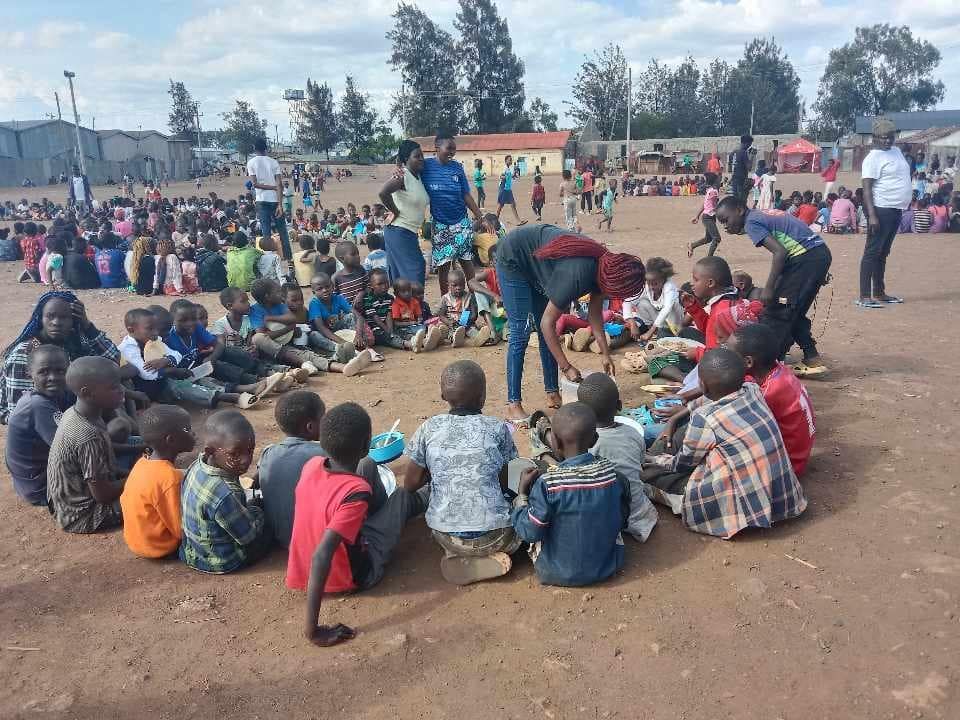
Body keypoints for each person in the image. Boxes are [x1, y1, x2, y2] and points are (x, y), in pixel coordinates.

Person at [286, 402, 427, 646]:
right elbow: (322, 556)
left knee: (369, 466)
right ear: (365, 445)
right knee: (404, 496)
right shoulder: (356, 492)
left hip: (317, 562)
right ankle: (427, 495)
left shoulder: (311, 466)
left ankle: (393, 512)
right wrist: (313, 632)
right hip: (356, 576)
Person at [646, 348, 806, 538]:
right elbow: (706, 399)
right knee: (682, 438)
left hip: (738, 507)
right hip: (782, 499)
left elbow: (682, 464)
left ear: (702, 385)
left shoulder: (705, 419)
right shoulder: (752, 389)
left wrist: (656, 460)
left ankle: (664, 488)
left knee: (647, 474)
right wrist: (675, 418)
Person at [496, 226, 646, 422]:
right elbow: (547, 324)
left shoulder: (605, 267)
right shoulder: (577, 274)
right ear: (614, 281)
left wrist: (605, 354)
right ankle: (514, 404)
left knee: (545, 335)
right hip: (514, 256)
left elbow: (595, 315)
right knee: (521, 331)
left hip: (535, 263)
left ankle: (552, 392)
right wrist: (566, 367)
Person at [403, 360, 520, 584]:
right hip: (498, 536)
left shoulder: (430, 427)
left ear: (443, 395)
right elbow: (512, 481)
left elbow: (410, 484)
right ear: (483, 396)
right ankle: (493, 554)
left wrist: (435, 469)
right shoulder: (496, 427)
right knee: (525, 503)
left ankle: (459, 554)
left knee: (435, 492)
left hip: (446, 536)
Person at [512, 402, 629, 586]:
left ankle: (542, 454)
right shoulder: (614, 475)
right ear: (595, 439)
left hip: (555, 570)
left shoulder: (548, 484)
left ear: (555, 442)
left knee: (528, 516)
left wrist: (521, 496)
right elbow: (622, 519)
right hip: (607, 565)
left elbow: (530, 532)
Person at [715, 197, 832, 375]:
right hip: (816, 254)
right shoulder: (761, 214)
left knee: (778, 310)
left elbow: (780, 252)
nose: (725, 226)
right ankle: (811, 356)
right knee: (792, 307)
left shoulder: (751, 222)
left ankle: (767, 364)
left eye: (726, 220)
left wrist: (769, 288)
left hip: (806, 258)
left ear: (739, 210)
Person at [256, 391, 381, 547]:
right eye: (323, 417)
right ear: (310, 426)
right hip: (321, 542)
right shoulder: (322, 457)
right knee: (367, 464)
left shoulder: (267, 454)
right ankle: (379, 518)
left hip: (283, 539)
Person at [0, 292, 120, 424]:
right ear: (41, 318)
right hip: (34, 416)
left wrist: (87, 326)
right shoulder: (24, 353)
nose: (56, 323)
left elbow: (112, 360)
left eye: (64, 317)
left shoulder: (75, 341)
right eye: (50, 316)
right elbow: (18, 412)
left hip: (65, 407)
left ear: (74, 320)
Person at [180, 410, 272, 573]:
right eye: (234, 454)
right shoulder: (225, 493)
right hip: (222, 561)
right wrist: (258, 511)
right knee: (272, 524)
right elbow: (248, 537)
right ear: (211, 451)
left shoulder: (197, 465)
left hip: (192, 552)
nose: (245, 460)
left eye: (250, 450)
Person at [46, 357, 126, 533]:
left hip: (72, 499)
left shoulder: (77, 412)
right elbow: (103, 495)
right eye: (114, 387)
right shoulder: (87, 434)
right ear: (88, 393)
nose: (122, 390)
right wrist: (136, 477)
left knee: (139, 453)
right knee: (153, 493)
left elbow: (104, 452)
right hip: (83, 516)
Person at [577, 373, 658, 541]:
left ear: (582, 411)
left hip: (615, 518)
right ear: (619, 405)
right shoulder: (633, 433)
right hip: (641, 512)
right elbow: (640, 464)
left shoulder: (587, 443)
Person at [727, 323, 816, 476]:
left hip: (787, 467)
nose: (726, 356)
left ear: (748, 362)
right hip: (799, 455)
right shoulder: (778, 370)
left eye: (730, 353)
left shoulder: (768, 393)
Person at [119, 405, 196, 558]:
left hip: (137, 541)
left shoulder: (143, 462)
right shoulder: (168, 478)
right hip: (160, 547)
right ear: (171, 440)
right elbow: (181, 530)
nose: (193, 433)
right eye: (187, 430)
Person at [4, 345, 71, 505]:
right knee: (121, 470)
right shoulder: (37, 404)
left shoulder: (57, 393)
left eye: (60, 371)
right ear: (29, 374)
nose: (53, 377)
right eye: (43, 372)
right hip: (42, 487)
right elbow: (69, 450)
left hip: (33, 480)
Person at [859, 118, 912, 308]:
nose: (888, 141)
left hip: (896, 209)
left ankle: (880, 293)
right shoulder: (872, 158)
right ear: (875, 138)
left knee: (883, 253)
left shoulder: (896, 152)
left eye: (891, 137)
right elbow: (866, 189)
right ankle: (865, 296)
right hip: (880, 209)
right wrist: (872, 215)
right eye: (884, 138)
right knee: (872, 252)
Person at [422, 134, 483, 294]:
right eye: (449, 148)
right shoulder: (426, 166)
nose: (452, 152)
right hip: (440, 224)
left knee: (466, 261)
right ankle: (445, 301)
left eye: (454, 149)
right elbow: (409, 167)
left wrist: (480, 216)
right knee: (443, 265)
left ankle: (474, 297)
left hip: (461, 222)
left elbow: (466, 194)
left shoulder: (457, 167)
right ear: (437, 147)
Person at [246, 137, 293, 280]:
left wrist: (271, 187)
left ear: (255, 149)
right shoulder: (273, 162)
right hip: (274, 200)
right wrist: (280, 204)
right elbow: (279, 184)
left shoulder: (251, 162)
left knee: (266, 231)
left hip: (261, 200)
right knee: (282, 230)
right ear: (266, 148)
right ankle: (289, 258)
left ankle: (268, 258)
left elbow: (254, 184)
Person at [354, 268, 425, 352]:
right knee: (388, 337)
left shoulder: (389, 298)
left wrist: (390, 329)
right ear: (371, 285)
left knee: (399, 331)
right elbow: (375, 318)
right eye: (379, 284)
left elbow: (389, 315)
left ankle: (418, 340)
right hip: (375, 329)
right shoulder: (368, 299)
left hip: (388, 326)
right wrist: (387, 331)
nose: (384, 286)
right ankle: (409, 344)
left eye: (386, 282)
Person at [622, 257, 683, 343]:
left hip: (673, 324)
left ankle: (659, 332)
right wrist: (632, 323)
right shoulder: (647, 286)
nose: (651, 287)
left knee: (665, 339)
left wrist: (649, 333)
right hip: (658, 322)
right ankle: (653, 330)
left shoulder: (670, 288)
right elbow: (627, 302)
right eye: (648, 283)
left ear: (664, 279)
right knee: (642, 303)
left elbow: (666, 309)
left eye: (655, 284)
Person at [688, 172, 722, 257]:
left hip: (708, 216)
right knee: (717, 238)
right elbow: (716, 206)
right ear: (715, 181)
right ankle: (709, 258)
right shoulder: (714, 191)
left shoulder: (710, 190)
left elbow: (705, 204)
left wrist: (697, 216)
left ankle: (692, 245)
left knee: (708, 238)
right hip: (708, 217)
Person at [497, 155, 527, 226]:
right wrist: (506, 177)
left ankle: (519, 221)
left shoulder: (508, 169)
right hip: (503, 188)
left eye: (511, 160)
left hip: (508, 189)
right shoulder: (504, 168)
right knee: (500, 205)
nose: (511, 161)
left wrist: (513, 176)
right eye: (509, 160)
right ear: (506, 161)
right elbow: (501, 176)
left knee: (513, 204)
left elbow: (509, 177)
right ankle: (495, 220)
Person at [730, 135, 753, 201]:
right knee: (741, 201)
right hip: (741, 179)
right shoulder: (743, 152)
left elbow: (730, 166)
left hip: (734, 178)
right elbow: (749, 168)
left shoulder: (734, 152)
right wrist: (752, 156)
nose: (749, 146)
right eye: (749, 144)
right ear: (746, 143)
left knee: (735, 200)